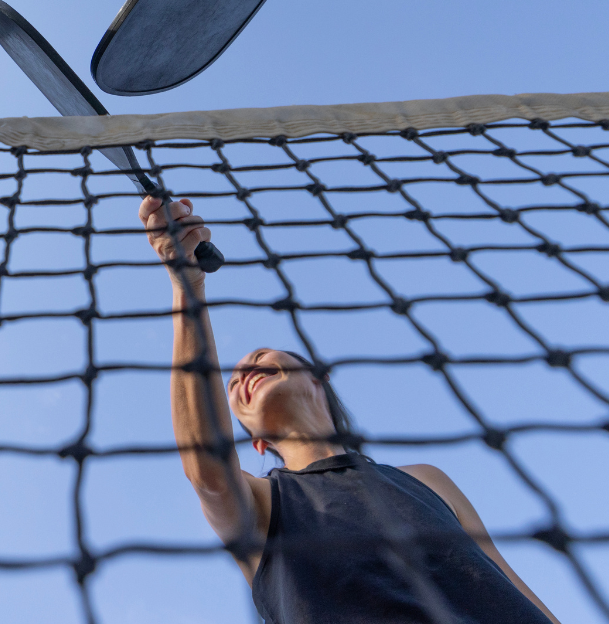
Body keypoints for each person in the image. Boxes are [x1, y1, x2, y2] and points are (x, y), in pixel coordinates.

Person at [141, 196, 560, 624]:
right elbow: (208, 474)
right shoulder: (262, 504)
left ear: (316, 379)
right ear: (257, 441)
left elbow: (510, 585)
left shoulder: (427, 480)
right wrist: (187, 284)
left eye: (264, 356)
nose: (244, 370)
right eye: (233, 384)